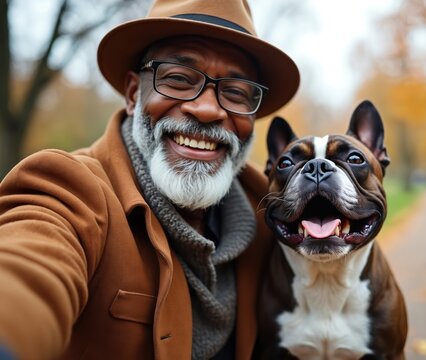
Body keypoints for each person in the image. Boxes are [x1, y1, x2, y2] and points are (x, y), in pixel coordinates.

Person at [0, 0, 300, 359]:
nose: (207, 109)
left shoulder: (272, 212)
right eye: (178, 79)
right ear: (132, 94)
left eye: (235, 92)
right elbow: (25, 271)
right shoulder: (69, 187)